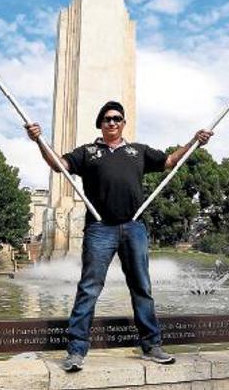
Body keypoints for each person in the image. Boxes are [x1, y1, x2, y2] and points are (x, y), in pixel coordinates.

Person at [25, 101, 213, 372]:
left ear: (124, 123)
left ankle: (151, 346)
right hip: (100, 228)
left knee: (142, 288)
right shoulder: (88, 152)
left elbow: (170, 161)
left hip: (134, 226)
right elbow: (59, 165)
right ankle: (76, 351)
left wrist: (195, 142)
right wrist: (39, 141)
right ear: (100, 124)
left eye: (117, 119)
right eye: (107, 119)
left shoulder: (138, 151)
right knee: (89, 289)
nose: (112, 122)